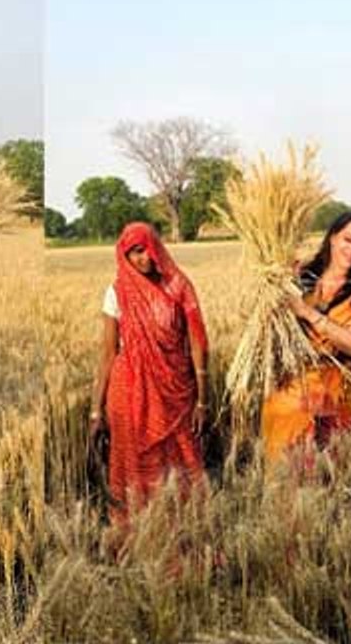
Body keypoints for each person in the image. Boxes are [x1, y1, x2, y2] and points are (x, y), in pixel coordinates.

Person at [90, 222, 207, 523]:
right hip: (128, 391)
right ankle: (137, 534)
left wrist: (203, 400)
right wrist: (95, 411)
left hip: (175, 390)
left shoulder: (178, 285)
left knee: (182, 460)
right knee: (132, 466)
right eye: (134, 253)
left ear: (157, 247)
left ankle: (182, 528)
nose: (143, 258)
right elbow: (107, 353)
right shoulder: (116, 293)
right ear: (124, 256)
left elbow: (198, 343)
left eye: (146, 249)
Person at [261, 211, 351, 464]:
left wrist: (306, 312)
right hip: (288, 394)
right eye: (348, 240)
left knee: (329, 481)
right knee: (286, 479)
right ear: (333, 238)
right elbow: (269, 324)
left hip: (333, 398)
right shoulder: (299, 275)